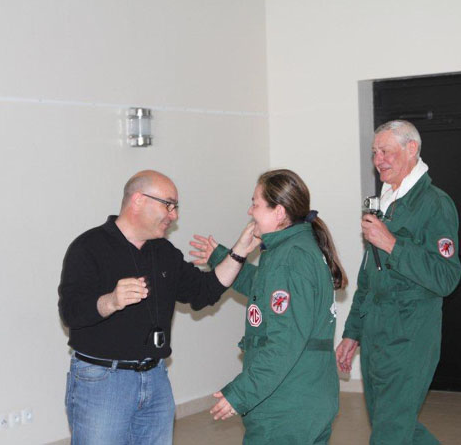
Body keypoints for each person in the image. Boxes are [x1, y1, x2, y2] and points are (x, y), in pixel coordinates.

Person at [58, 170, 258, 445]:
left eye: (175, 207)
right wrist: (111, 301)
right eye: (168, 205)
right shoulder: (88, 247)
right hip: (103, 382)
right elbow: (70, 312)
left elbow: (204, 290)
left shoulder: (164, 252)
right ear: (138, 200)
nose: (174, 215)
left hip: (155, 378)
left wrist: (239, 252)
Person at [189, 169, 348, 444]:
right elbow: (262, 287)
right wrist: (223, 257)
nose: (250, 211)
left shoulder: (289, 258)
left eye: (255, 204)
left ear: (279, 212)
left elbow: (283, 345)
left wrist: (240, 394)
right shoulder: (297, 249)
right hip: (308, 395)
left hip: (286, 404)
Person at [336, 120, 461, 445]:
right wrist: (352, 332)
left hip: (410, 337)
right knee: (394, 425)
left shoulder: (435, 204)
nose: (378, 159)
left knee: (390, 431)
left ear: (411, 149)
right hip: (376, 335)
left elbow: (446, 277)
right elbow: (368, 277)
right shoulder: (385, 202)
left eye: (386, 151)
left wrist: (392, 244)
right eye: (374, 152)